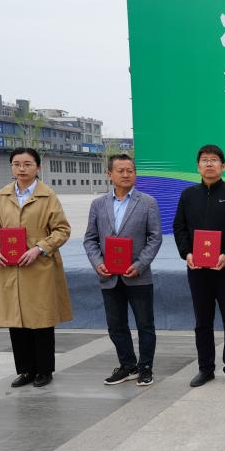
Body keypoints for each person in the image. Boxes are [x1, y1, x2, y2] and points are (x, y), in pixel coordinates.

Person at [0, 147, 72, 388]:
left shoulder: (48, 196)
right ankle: (25, 370)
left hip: (39, 267)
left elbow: (62, 230)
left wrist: (39, 248)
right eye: (16, 164)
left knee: (41, 318)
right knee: (16, 318)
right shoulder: (2, 196)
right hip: (9, 266)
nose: (21, 169)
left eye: (27, 164)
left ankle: (44, 370)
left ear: (38, 167)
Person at [82, 153, 163, 387]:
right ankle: (128, 365)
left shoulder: (147, 202)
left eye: (130, 170)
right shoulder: (98, 204)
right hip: (109, 276)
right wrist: (98, 263)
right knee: (116, 326)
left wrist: (139, 265)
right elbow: (90, 239)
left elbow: (155, 238)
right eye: (120, 170)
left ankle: (145, 368)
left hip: (138, 276)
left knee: (145, 325)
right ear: (109, 174)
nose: (126, 174)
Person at [173, 144, 225, 388]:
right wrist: (187, 253)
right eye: (204, 160)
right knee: (202, 321)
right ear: (198, 166)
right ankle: (205, 368)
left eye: (214, 160)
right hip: (198, 269)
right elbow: (179, 227)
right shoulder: (188, 195)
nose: (209, 164)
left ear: (223, 166)